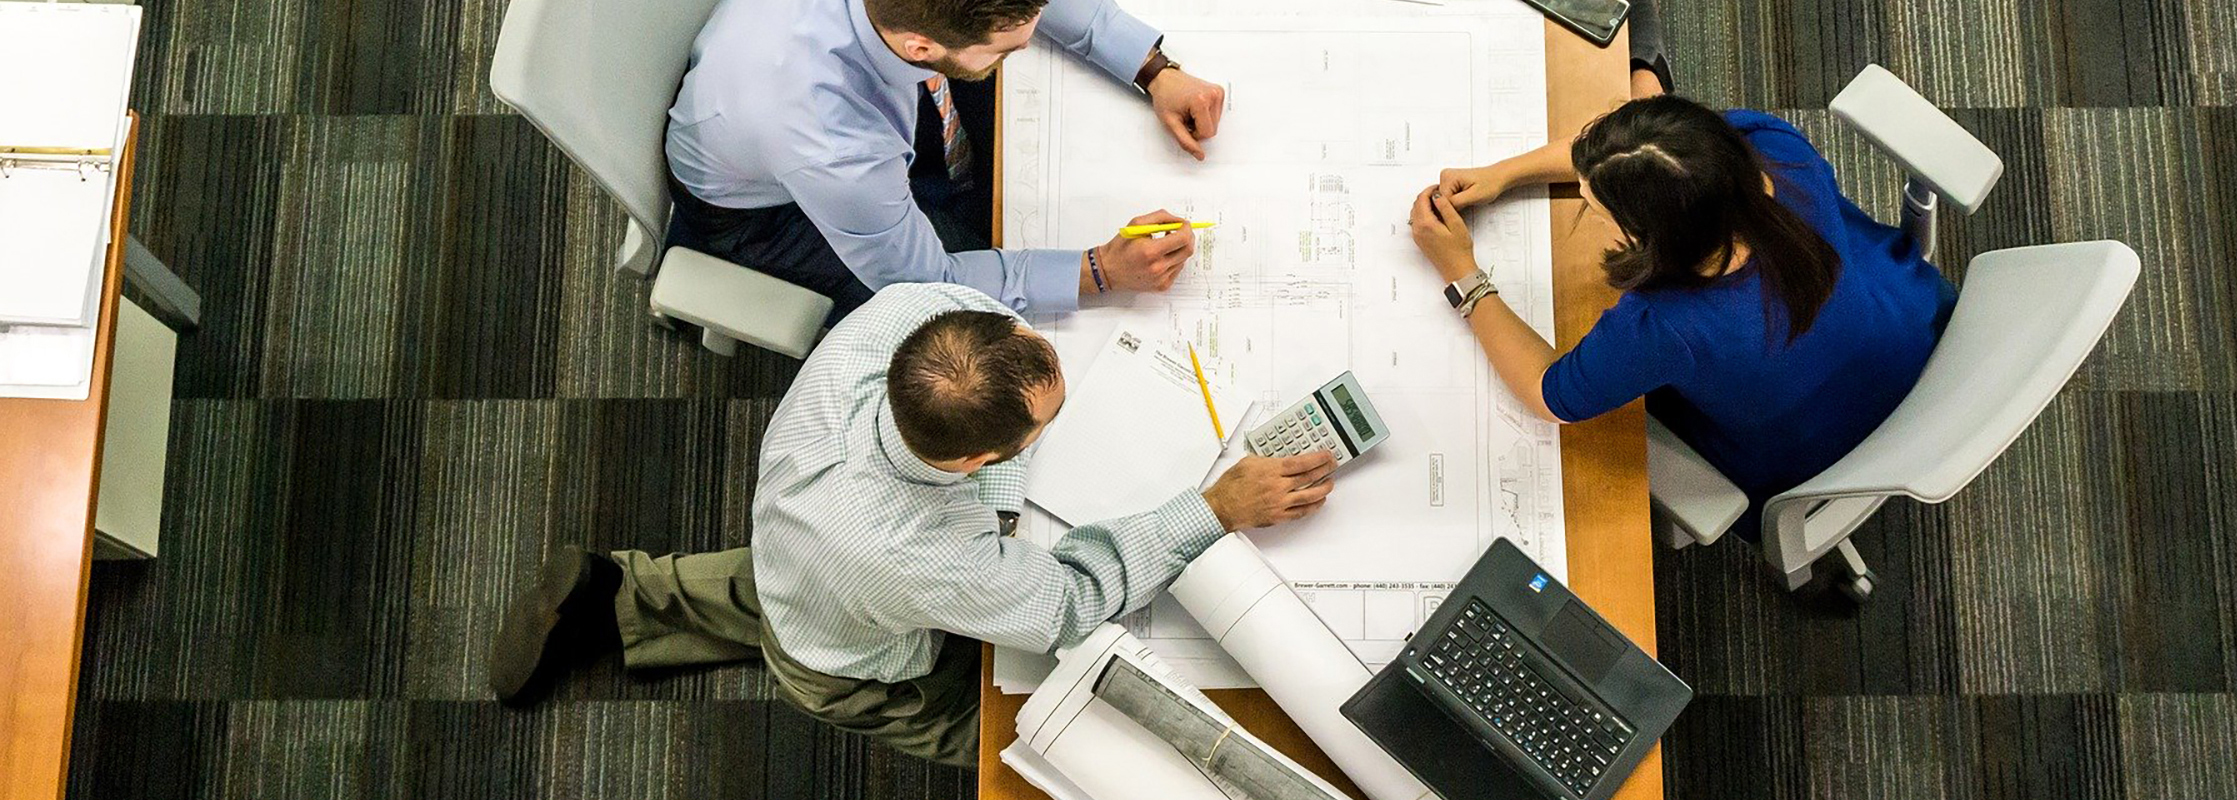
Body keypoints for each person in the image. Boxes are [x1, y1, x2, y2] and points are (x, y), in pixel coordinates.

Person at [488, 282, 1338, 765]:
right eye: (1043, 426)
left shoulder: (905, 318)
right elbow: (1070, 603)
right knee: (1020, 732)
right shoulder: (922, 556)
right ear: (975, 461)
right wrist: (1214, 507)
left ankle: (620, 593)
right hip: (854, 660)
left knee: (792, 582)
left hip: (803, 539)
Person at [1406, 95, 1956, 537]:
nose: (1585, 206)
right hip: (1911, 325)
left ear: (1649, 240)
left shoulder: (1667, 326)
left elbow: (1552, 395)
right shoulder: (1770, 147)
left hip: (1816, 449)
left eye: (1594, 209)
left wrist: (1463, 275)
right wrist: (1505, 173)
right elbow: (1645, 155)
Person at [665, 0, 1229, 320]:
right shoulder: (833, 141)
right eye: (1010, 45)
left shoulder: (908, 21)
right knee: (961, 259)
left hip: (814, 105)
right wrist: (1099, 270)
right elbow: (926, 280)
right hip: (764, 213)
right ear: (920, 49)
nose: (1029, 45)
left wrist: (1153, 68)